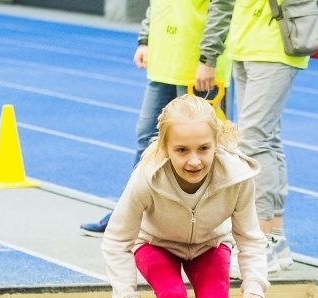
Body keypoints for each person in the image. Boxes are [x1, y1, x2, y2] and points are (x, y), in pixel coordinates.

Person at [102, 94, 274, 298]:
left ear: (216, 143)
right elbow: (117, 241)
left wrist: (254, 285)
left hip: (210, 245)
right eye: (181, 150)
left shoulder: (236, 177)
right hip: (156, 245)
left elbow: (249, 236)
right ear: (165, 148)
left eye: (203, 149)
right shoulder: (146, 178)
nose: (193, 161)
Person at [80, 0, 235, 237]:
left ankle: (207, 223)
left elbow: (222, 6)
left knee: (205, 147)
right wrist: (145, 40)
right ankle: (130, 214)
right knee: (147, 139)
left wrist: (208, 58)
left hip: (197, 66)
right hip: (164, 62)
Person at [226, 0, 313, 276]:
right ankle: (276, 237)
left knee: (253, 140)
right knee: (268, 138)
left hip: (274, 44)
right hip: (243, 40)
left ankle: (259, 241)